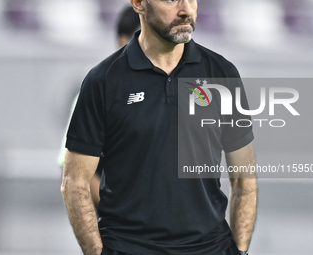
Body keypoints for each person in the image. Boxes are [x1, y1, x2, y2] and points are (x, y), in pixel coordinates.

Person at [61, 0, 257, 255]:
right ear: (139, 4)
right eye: (172, 0)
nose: (186, 9)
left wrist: (239, 251)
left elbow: (244, 177)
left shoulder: (222, 74)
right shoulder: (103, 80)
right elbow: (74, 182)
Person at [58, 5, 140, 206]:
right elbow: (74, 171)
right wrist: (119, 211)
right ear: (124, 41)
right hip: (116, 227)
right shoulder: (95, 94)